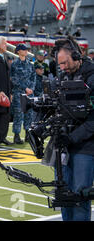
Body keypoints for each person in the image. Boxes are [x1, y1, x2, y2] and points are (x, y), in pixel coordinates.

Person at [53, 37, 94, 221]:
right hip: (64, 145)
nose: (62, 67)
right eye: (59, 64)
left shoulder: (92, 77)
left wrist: (72, 138)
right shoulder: (64, 77)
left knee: (79, 197)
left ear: (77, 55)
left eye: (65, 62)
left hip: (85, 147)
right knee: (63, 196)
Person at [11, 44, 35, 144]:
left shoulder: (30, 64)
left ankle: (27, 134)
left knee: (29, 114)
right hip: (18, 93)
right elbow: (13, 79)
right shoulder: (14, 64)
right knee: (18, 115)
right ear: (18, 51)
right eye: (23, 50)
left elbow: (33, 77)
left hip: (29, 93)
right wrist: (25, 88)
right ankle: (16, 135)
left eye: (26, 50)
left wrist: (31, 89)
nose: (26, 51)